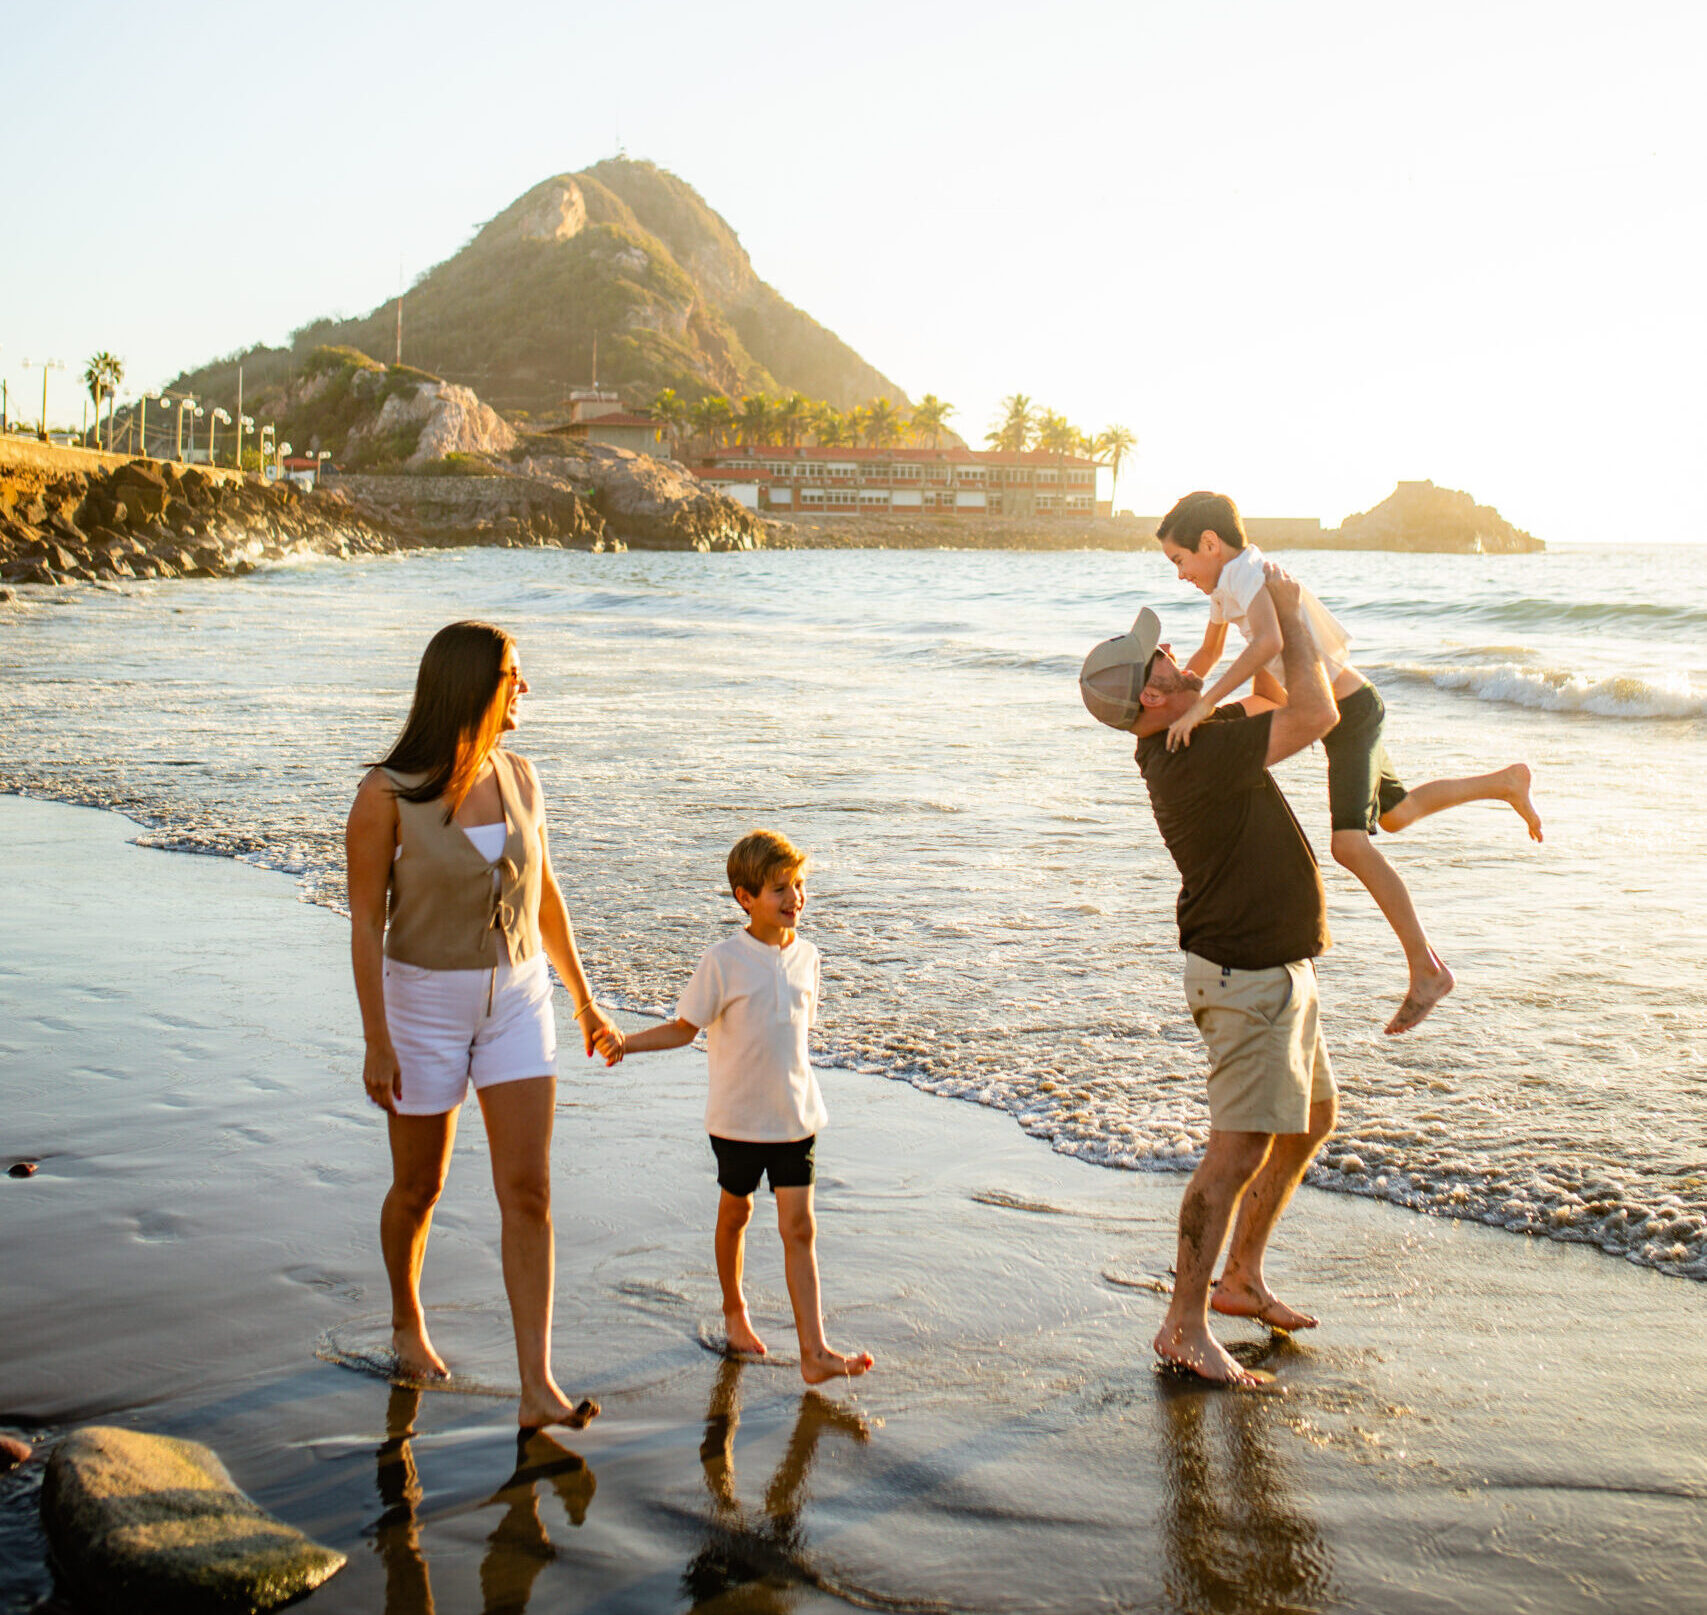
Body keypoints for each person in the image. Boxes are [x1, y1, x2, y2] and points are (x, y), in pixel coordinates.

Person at [345, 620, 619, 1429]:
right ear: (470, 684)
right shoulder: (385, 794)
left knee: (528, 1189)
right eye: (512, 673)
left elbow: (545, 895)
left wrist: (584, 997)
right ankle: (406, 1320)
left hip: (520, 998)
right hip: (421, 1004)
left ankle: (537, 1385)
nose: (524, 686)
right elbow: (364, 925)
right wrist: (376, 1039)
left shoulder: (522, 776)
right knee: (419, 1186)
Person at [1080, 564, 1339, 1387]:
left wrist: (1253, 626)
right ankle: (1182, 1325)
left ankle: (1241, 1279)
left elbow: (1272, 695)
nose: (1177, 658)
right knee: (1232, 1156)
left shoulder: (1191, 730)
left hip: (1273, 968)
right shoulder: (1193, 751)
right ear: (1151, 697)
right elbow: (1315, 713)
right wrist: (1286, 610)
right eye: (1161, 660)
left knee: (1310, 1120)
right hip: (1245, 978)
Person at [1154, 491, 1543, 1035]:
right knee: (1398, 814)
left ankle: (1427, 970)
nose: (1180, 574)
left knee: (1349, 845)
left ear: (1210, 544)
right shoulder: (1224, 587)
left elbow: (1267, 642)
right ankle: (1504, 783)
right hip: (1345, 708)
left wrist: (1202, 706)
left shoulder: (1249, 574)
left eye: (1180, 560)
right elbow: (1210, 655)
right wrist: (1174, 700)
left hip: (1352, 711)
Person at [601, 829, 874, 1386]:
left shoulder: (809, 958)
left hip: (796, 1117)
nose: (795, 898)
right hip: (738, 1121)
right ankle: (734, 1311)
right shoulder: (723, 961)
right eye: (780, 889)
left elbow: (794, 1036)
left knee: (799, 1229)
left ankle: (814, 1351)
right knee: (736, 1215)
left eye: (798, 885)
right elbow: (684, 1029)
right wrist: (626, 1042)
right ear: (745, 898)